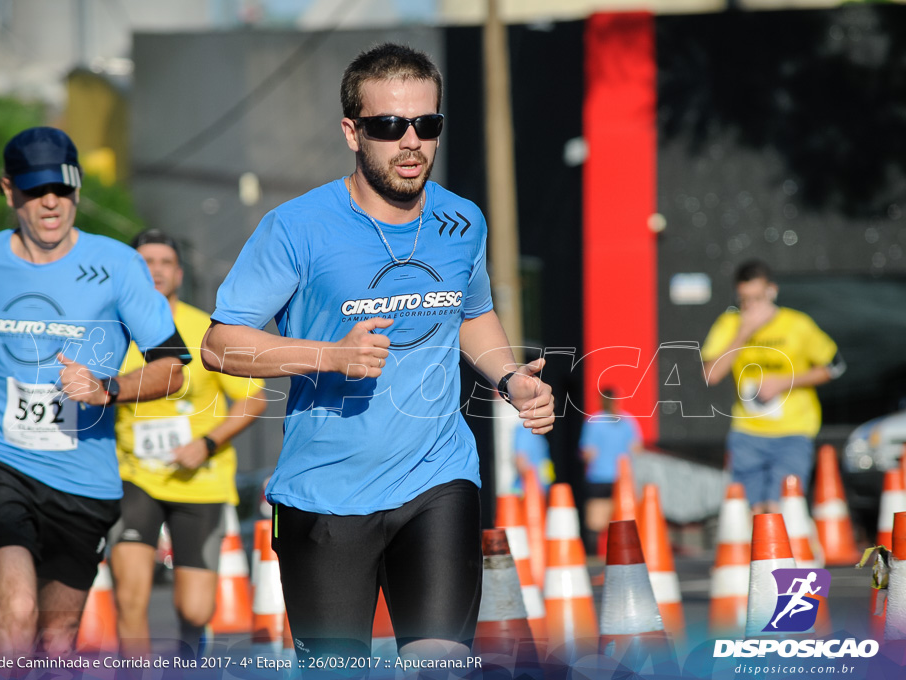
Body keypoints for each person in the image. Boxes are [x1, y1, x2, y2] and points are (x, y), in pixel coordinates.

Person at [201, 43, 555, 667]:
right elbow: (220, 344)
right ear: (353, 132)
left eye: (428, 124)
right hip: (324, 495)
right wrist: (329, 357)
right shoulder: (297, 227)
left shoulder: (463, 221)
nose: (411, 141)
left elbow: (471, 313)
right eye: (390, 126)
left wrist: (508, 378)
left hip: (437, 478)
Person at [0, 126, 191, 660]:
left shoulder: (119, 265)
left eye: (62, 189)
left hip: (83, 478)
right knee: (18, 610)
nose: (50, 202)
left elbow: (172, 369)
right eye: (34, 189)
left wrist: (107, 388)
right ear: (8, 191)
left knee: (54, 640)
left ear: (76, 190)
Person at [111, 229, 266, 659]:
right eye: (144, 263)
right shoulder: (114, 332)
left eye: (164, 262)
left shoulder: (204, 330)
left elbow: (254, 398)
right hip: (134, 476)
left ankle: (187, 665)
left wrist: (208, 443)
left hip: (201, 479)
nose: (155, 270)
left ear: (178, 273)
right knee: (129, 597)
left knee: (194, 608)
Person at [702, 260, 843, 514]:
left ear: (772, 291)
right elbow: (711, 374)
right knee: (750, 512)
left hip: (793, 430)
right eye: (745, 300)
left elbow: (834, 366)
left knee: (782, 508)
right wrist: (744, 332)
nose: (752, 306)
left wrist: (785, 381)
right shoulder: (730, 324)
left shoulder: (797, 324)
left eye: (758, 298)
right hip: (748, 432)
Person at [579, 387, 642, 551]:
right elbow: (637, 449)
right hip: (622, 478)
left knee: (595, 523)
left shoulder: (593, 422)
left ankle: (594, 559)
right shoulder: (627, 421)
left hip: (599, 477)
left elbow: (588, 453)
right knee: (623, 520)